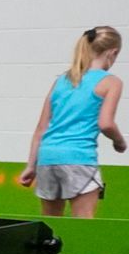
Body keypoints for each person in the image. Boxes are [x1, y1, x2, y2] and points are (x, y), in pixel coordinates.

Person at [20, 26, 124, 218]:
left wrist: (30, 166)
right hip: (79, 158)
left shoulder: (62, 80)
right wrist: (120, 142)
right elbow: (106, 124)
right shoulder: (111, 82)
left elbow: (41, 129)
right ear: (113, 52)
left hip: (47, 158)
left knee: (51, 224)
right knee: (83, 222)